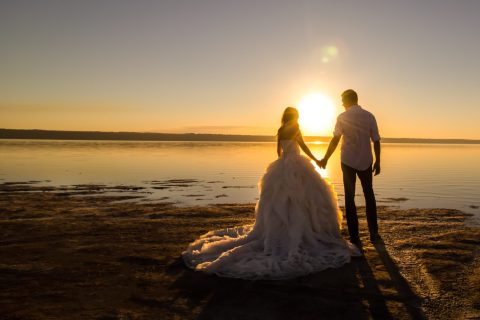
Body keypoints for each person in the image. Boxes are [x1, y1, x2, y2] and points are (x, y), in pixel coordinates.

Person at [182, 107, 360, 280]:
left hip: (282, 164)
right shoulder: (296, 127)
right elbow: (303, 147)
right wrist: (316, 160)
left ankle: (278, 231)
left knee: (279, 203)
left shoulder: (281, 129)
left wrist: (285, 161)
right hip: (296, 165)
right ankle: (304, 231)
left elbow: (279, 151)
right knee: (303, 201)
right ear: (295, 117)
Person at [317, 89, 381, 245]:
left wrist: (325, 158)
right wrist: (378, 161)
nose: (341, 103)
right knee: (369, 195)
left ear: (348, 100)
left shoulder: (342, 117)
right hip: (366, 160)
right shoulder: (369, 115)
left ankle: (354, 236)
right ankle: (374, 233)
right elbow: (376, 140)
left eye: (342, 100)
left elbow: (335, 140)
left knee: (350, 197)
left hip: (348, 162)